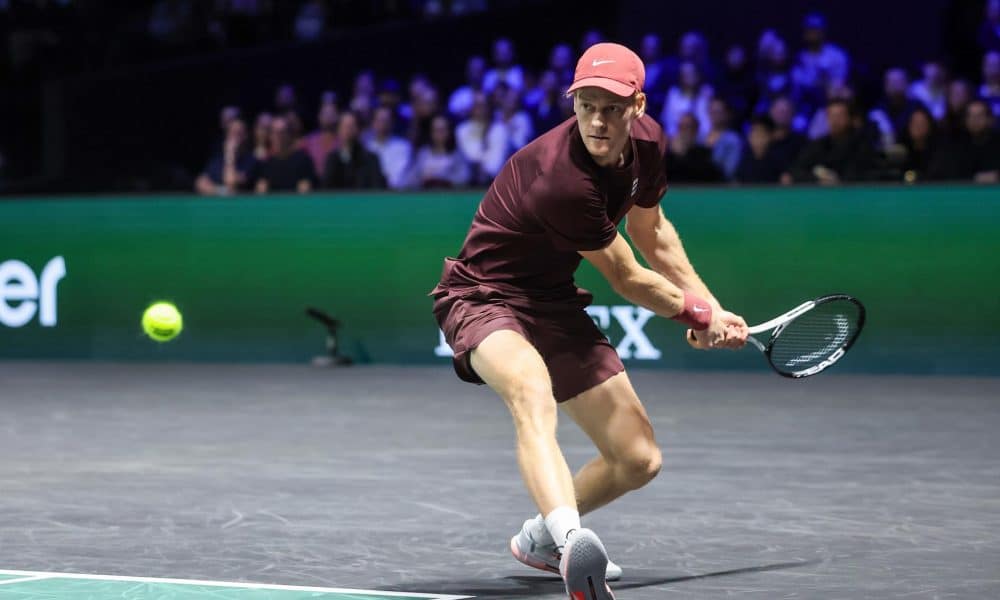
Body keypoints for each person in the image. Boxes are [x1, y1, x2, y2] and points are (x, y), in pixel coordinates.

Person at [430, 43, 748, 598]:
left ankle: (540, 539)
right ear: (573, 103)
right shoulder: (562, 178)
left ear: (639, 107)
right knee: (531, 391)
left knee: (638, 458)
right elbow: (625, 277)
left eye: (613, 107)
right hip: (483, 295)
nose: (598, 120)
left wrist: (710, 307)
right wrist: (694, 313)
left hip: (550, 298)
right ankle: (572, 539)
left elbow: (653, 235)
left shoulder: (648, 146)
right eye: (586, 105)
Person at [790, 99, 878, 184]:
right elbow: (798, 170)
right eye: (831, 116)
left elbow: (860, 175)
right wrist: (818, 180)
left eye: (840, 116)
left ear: (850, 118)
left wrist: (837, 181)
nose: (835, 120)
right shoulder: (819, 145)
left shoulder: (862, 145)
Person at [930, 100, 1000, 182]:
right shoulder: (954, 145)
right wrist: (975, 178)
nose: (975, 120)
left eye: (980, 116)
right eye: (970, 116)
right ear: (965, 120)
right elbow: (947, 175)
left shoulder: (997, 144)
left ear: (990, 119)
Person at [405, 114, 471, 188]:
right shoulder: (422, 154)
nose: (440, 134)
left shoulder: (457, 155)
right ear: (431, 132)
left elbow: (464, 178)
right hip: (425, 195)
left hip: (449, 195)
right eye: (436, 130)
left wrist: (442, 179)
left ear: (449, 131)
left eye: (443, 130)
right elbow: (409, 179)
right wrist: (424, 179)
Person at [323, 111, 386, 189]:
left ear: (359, 129)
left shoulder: (371, 159)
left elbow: (377, 189)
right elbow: (326, 189)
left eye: (352, 126)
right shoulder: (332, 159)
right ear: (338, 130)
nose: (348, 130)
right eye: (345, 126)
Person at [194, 118, 257, 195]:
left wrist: (230, 155)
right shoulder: (217, 160)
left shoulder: (252, 161)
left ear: (245, 136)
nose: (235, 138)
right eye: (233, 133)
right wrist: (222, 191)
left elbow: (230, 183)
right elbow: (200, 183)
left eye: (239, 133)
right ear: (227, 135)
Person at [255, 116, 317, 193]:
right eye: (275, 132)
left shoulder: (303, 160)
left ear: (289, 135)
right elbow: (261, 191)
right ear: (270, 136)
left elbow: (305, 191)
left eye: (282, 132)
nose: (278, 136)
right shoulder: (266, 162)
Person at [665, 112, 724, 182]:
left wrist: (682, 155)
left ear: (696, 129)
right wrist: (674, 154)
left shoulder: (704, 152)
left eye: (688, 127)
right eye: (681, 127)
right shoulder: (669, 154)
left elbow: (710, 175)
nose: (684, 131)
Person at [364, 105, 412, 189]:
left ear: (392, 123)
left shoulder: (403, 147)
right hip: (371, 194)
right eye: (379, 120)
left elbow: (400, 177)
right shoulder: (367, 147)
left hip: (396, 194)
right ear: (373, 123)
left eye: (386, 120)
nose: (382, 124)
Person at [660, 61, 712, 137]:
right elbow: (668, 121)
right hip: (675, 139)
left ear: (697, 75)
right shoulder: (673, 94)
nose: (688, 77)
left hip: (700, 139)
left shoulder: (705, 95)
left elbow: (707, 124)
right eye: (685, 74)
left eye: (691, 73)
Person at [735, 115, 784, 183]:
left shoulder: (778, 160)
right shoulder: (744, 160)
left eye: (761, 134)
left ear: (770, 136)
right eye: (753, 133)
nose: (757, 138)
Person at [702, 97, 743, 180]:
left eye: (719, 112)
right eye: (712, 112)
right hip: (697, 186)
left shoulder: (733, 139)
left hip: (722, 187)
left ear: (727, 114)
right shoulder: (700, 137)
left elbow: (730, 171)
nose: (715, 115)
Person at [302, 101, 340, 180]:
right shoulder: (309, 140)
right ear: (319, 117)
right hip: (314, 183)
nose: (328, 117)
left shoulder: (342, 140)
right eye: (325, 114)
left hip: (337, 183)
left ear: (337, 117)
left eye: (331, 114)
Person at [448, 56, 487, 120]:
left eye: (479, 70)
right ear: (467, 72)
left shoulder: (490, 92)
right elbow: (453, 114)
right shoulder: (459, 95)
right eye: (474, 70)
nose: (476, 74)